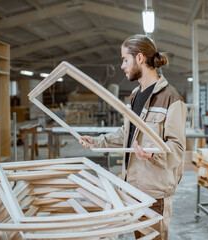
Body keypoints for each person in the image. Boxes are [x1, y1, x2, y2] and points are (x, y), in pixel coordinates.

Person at [80, 34, 186, 240]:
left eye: (124, 59)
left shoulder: (171, 98)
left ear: (139, 58)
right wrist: (99, 141)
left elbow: (178, 151)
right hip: (133, 186)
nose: (122, 66)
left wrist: (152, 154)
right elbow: (127, 134)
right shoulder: (135, 96)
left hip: (154, 191)